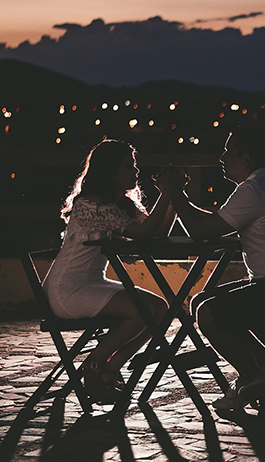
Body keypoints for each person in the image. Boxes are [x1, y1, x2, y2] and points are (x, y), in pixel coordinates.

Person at [159, 123, 265, 412]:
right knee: (201, 301)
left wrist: (175, 192)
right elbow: (214, 222)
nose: (221, 158)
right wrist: (181, 196)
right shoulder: (264, 185)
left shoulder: (254, 191)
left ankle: (252, 376)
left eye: (227, 152)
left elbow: (199, 230)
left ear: (245, 158)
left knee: (208, 313)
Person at [43, 139, 177, 404]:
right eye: (129, 166)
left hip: (92, 284)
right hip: (68, 290)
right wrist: (168, 193)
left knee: (160, 310)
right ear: (110, 171)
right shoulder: (92, 206)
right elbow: (147, 232)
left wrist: (173, 196)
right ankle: (94, 367)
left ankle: (111, 367)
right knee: (139, 312)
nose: (136, 171)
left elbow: (157, 231)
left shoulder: (118, 206)